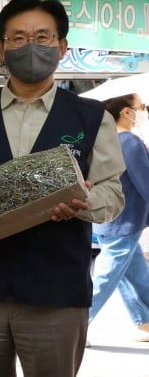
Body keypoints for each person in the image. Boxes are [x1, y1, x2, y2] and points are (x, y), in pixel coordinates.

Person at [0, 0, 125, 377]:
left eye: (43, 36)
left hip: (57, 290)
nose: (31, 45)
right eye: (18, 38)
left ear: (62, 46)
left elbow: (112, 192)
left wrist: (82, 201)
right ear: (2, 49)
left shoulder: (90, 117)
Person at [89, 93, 149, 342]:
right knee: (105, 277)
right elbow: (145, 182)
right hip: (126, 220)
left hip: (110, 218)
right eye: (141, 107)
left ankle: (145, 320)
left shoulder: (106, 140)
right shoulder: (130, 142)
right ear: (126, 112)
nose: (143, 111)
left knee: (135, 274)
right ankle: (77, 323)